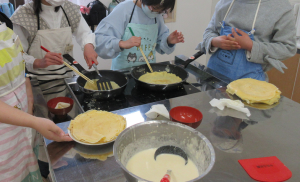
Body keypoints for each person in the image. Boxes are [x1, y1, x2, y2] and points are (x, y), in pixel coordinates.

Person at [0, 12, 72, 181]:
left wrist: (30, 108)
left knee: (26, 165)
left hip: (22, 122)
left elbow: (18, 61)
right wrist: (34, 121)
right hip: (4, 134)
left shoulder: (3, 20)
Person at [11, 0, 98, 101]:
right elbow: (16, 56)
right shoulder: (23, 16)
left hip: (67, 81)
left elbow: (84, 33)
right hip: (38, 87)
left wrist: (88, 46)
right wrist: (38, 62)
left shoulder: (70, 9)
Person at [197, 0, 297, 81]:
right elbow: (209, 31)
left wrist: (251, 46)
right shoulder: (224, 3)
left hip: (250, 85)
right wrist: (214, 41)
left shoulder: (281, 8)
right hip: (214, 79)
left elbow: (288, 48)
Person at [95, 0, 184, 70]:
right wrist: (121, 43)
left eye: (161, 11)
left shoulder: (157, 15)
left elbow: (160, 43)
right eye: (154, 8)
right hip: (124, 75)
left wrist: (168, 41)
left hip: (148, 75)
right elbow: (99, 40)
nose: (156, 12)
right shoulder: (124, 9)